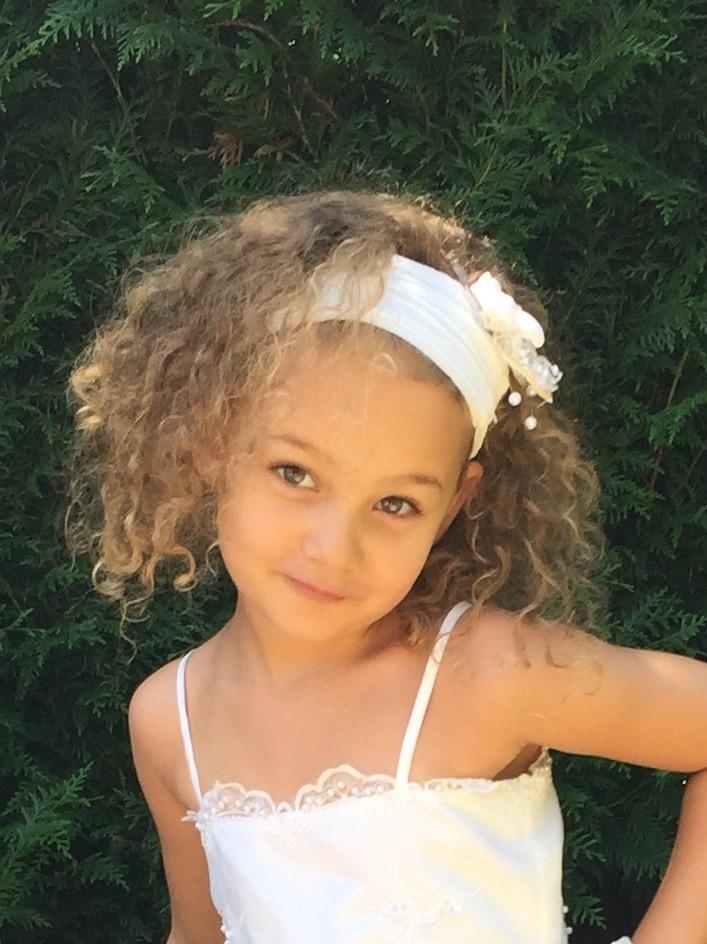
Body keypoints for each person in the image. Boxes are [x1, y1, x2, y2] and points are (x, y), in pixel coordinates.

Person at [64, 190, 706, 944]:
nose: (334, 547)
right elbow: (200, 933)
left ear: (453, 504)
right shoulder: (167, 721)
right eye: (296, 474)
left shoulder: (492, 672)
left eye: (395, 503)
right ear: (213, 443)